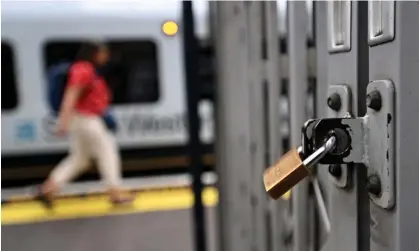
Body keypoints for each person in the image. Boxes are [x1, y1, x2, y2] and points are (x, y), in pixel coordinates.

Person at [38, 41, 133, 206]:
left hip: (83, 119)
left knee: (80, 159)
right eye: (103, 53)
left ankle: (49, 188)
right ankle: (115, 193)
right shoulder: (83, 70)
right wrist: (63, 121)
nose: (106, 56)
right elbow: (71, 95)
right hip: (87, 119)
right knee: (108, 151)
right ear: (93, 53)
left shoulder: (87, 70)